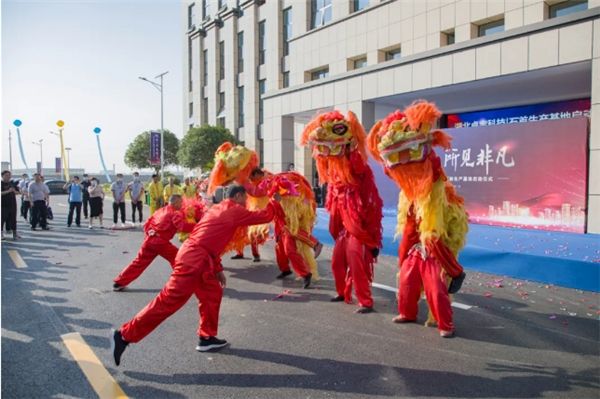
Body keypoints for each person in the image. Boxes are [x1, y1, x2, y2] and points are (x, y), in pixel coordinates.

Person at [111, 186, 282, 366]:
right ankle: (124, 335)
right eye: (245, 199)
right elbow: (265, 217)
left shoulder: (218, 208)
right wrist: (273, 200)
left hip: (199, 258)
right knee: (167, 301)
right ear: (238, 196)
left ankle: (206, 337)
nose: (246, 203)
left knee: (212, 293)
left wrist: (217, 269)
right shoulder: (234, 210)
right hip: (194, 259)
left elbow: (210, 239)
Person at [301, 110, 383, 314]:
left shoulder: (357, 163)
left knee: (356, 260)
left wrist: (369, 233)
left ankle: (365, 301)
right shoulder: (332, 167)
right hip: (342, 225)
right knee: (337, 260)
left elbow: (370, 201)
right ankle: (341, 291)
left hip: (357, 224)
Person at [113, 194, 196, 291]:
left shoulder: (159, 211)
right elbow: (182, 227)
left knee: (138, 262)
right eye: (181, 202)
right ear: (176, 202)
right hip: (161, 243)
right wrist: (198, 226)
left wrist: (150, 234)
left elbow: (147, 224)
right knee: (179, 259)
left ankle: (119, 282)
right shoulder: (174, 213)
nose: (182, 205)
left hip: (150, 240)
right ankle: (183, 283)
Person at [1, 170, 20, 240]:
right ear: (2, 176)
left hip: (12, 204)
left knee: (13, 219)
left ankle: (14, 234)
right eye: (6, 175)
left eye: (9, 175)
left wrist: (14, 191)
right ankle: (1, 234)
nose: (8, 177)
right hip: (3, 205)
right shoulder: (1, 183)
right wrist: (8, 191)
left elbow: (18, 192)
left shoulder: (12, 183)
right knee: (2, 220)